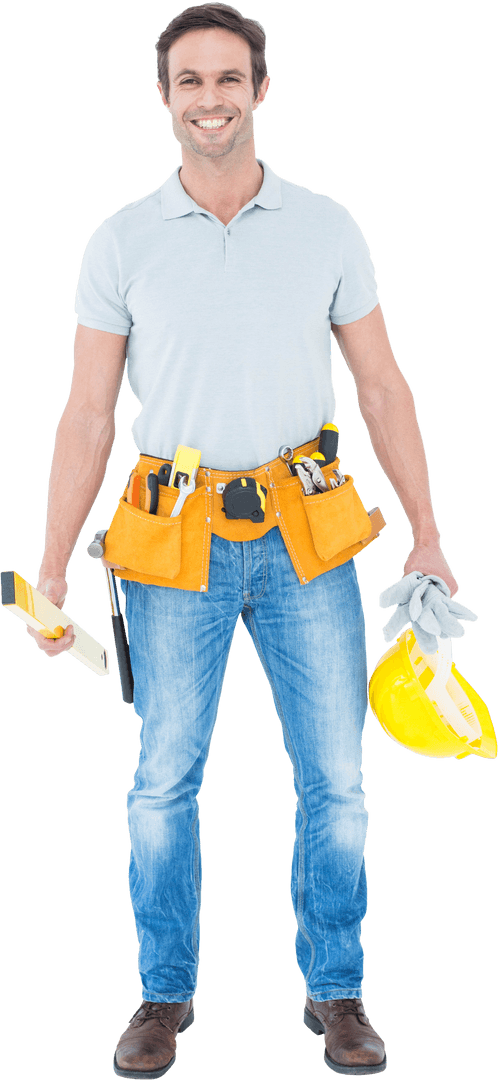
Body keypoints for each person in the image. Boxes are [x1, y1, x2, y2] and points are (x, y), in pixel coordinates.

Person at [27, 4, 457, 1077]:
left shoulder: (328, 226)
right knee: (163, 779)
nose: (211, 98)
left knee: (338, 780)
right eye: (190, 82)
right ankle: (163, 999)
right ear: (164, 99)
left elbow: (381, 385)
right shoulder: (120, 240)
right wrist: (47, 569)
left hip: (309, 537)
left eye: (230, 78)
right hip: (171, 546)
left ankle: (338, 994)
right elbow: (86, 414)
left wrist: (429, 535)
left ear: (259, 90)